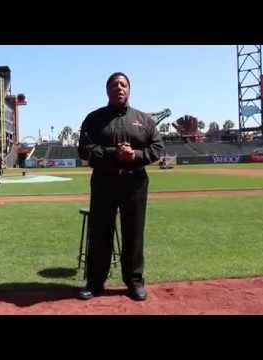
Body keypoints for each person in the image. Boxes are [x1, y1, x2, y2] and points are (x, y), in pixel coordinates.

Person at [78, 72, 164, 301]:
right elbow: (84, 150)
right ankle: (95, 283)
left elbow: (157, 149)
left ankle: (134, 282)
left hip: (134, 182)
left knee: (133, 233)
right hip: (104, 182)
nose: (119, 88)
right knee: (100, 233)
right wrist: (112, 153)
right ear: (107, 91)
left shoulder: (144, 120)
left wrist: (134, 155)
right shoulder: (94, 119)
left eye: (123, 84)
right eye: (114, 85)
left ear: (129, 89)